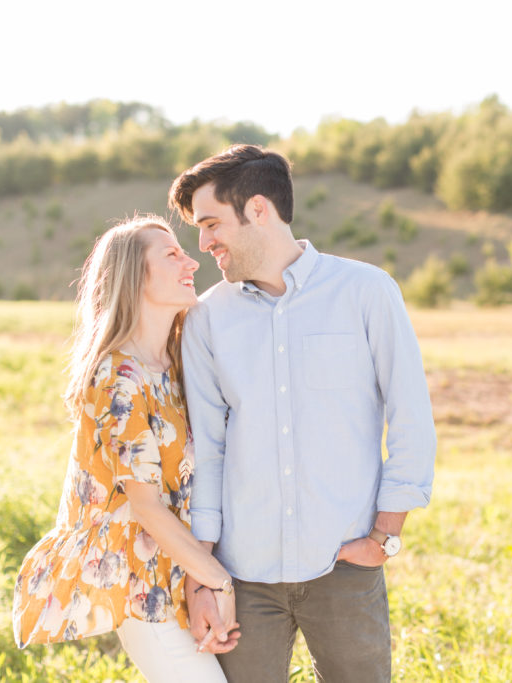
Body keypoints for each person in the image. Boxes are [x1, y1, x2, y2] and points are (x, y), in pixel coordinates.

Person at [168, 145, 436, 683]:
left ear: (259, 210)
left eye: (212, 223)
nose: (204, 243)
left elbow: (410, 415)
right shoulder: (207, 320)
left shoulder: (367, 292)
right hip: (241, 576)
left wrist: (385, 535)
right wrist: (202, 573)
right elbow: (209, 448)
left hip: (344, 563)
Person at [12, 215, 239, 682]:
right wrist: (219, 582)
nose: (191, 261)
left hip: (176, 578)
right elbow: (148, 507)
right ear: (134, 275)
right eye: (172, 254)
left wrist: (197, 584)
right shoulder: (119, 375)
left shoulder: (174, 366)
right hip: (141, 589)